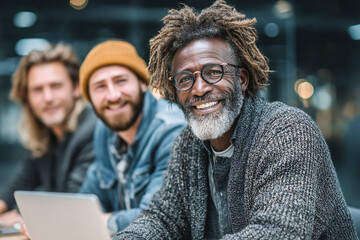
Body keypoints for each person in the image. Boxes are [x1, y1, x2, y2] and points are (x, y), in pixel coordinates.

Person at [114, 1, 358, 239]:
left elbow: (279, 232)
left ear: (241, 79)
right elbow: (162, 219)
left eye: (213, 72)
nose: (198, 89)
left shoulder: (288, 131)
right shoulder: (187, 144)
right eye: (185, 79)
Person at [78, 40, 186, 235]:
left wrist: (104, 221)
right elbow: (86, 201)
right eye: (100, 87)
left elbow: (157, 217)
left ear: (142, 83)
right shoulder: (105, 132)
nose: (113, 95)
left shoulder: (171, 130)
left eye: (121, 81)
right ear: (90, 99)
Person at [0, 43, 96, 226]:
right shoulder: (47, 137)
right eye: (37, 89)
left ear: (76, 88)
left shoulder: (91, 131)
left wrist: (18, 219)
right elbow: (17, 185)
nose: (48, 97)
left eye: (56, 86)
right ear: (26, 97)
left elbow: (72, 206)